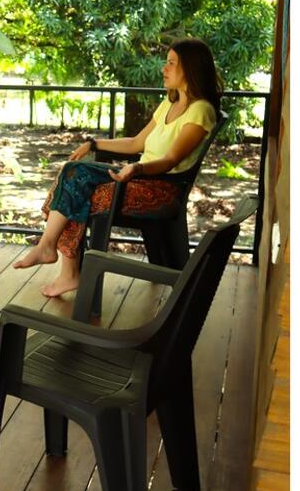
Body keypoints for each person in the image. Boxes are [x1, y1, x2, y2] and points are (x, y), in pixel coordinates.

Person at [13, 38, 222, 297]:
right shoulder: (170, 103)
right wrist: (93, 143)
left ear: (190, 68)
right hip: (139, 178)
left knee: (77, 187)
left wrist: (138, 169)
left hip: (160, 190)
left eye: (171, 63)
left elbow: (170, 160)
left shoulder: (201, 110)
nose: (164, 68)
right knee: (72, 171)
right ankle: (53, 253)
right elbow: (136, 143)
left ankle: (63, 266)